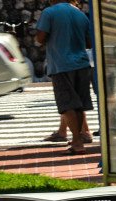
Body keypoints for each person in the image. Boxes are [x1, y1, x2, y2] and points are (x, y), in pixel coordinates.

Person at [36, 0, 94, 155]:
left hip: (61, 65)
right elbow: (89, 43)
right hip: (81, 64)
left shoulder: (49, 12)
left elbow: (40, 38)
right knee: (79, 105)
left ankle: (77, 142)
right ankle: (79, 139)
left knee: (67, 105)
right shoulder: (80, 14)